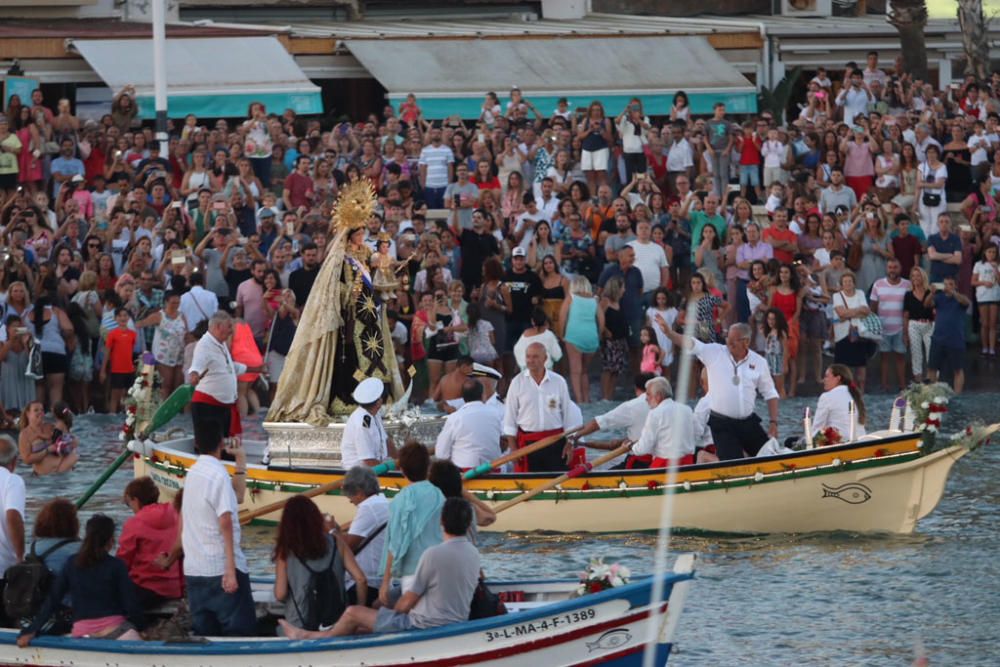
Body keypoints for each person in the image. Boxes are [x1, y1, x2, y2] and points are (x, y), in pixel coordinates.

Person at [280, 497, 479, 639]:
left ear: (441, 522)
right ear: (469, 523)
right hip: (455, 621)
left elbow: (407, 602)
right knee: (362, 622)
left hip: (420, 625)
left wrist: (391, 612)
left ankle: (309, 636)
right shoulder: (474, 554)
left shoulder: (432, 554)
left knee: (352, 613)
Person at [657, 322, 779, 460]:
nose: (729, 344)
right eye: (728, 339)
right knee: (732, 463)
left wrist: (774, 422)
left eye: (734, 341)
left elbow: (770, 393)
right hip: (722, 424)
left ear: (746, 342)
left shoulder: (759, 362)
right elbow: (691, 343)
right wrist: (669, 333)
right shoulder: (715, 352)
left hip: (748, 421)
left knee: (770, 454)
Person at [18, 515, 143, 646]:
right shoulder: (117, 565)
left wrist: (32, 629)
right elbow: (131, 604)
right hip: (117, 631)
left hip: (82, 633)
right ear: (111, 541)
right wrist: (140, 626)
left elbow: (53, 599)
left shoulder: (72, 563)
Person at [181, 419, 256, 637]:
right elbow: (225, 521)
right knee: (240, 636)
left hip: (195, 568)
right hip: (220, 569)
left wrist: (240, 460)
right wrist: (230, 569)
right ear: (221, 444)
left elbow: (238, 497)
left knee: (207, 637)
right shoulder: (219, 475)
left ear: (196, 444)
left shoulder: (193, 473)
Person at [273, 495, 367, 634]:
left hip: (299, 625)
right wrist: (359, 610)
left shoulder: (285, 550)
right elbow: (361, 579)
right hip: (337, 624)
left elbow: (280, 594)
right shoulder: (336, 542)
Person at [377, 442, 443, 608]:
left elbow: (395, 543)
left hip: (413, 574)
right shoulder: (439, 494)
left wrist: (386, 582)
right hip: (438, 571)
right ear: (428, 467)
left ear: (402, 470)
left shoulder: (401, 500)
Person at [189, 312, 262, 441]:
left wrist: (254, 369)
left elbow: (228, 366)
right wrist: (194, 375)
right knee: (211, 445)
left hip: (222, 405)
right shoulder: (204, 345)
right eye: (229, 327)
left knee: (224, 444)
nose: (231, 331)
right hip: (209, 406)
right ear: (218, 327)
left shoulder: (220, 343)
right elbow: (196, 366)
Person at [503, 342, 574, 472]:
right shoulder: (517, 382)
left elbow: (569, 415)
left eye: (535, 357)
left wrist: (570, 443)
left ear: (545, 358)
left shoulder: (558, 381)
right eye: (528, 356)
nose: (530, 360)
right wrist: (513, 449)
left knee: (557, 486)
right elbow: (510, 417)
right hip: (528, 445)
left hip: (556, 443)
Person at [117, 476, 182, 609]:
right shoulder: (176, 513)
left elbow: (123, 562)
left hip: (148, 587)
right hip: (177, 585)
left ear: (135, 500)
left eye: (128, 503)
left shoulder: (135, 523)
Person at [570, 373, 654, 466]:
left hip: (641, 463)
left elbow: (598, 423)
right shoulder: (668, 404)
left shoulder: (632, 406)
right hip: (663, 461)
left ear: (636, 389)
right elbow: (613, 445)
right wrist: (584, 444)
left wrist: (576, 436)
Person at [339, 466, 390, 605]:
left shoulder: (369, 508)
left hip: (368, 584)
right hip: (380, 580)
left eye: (350, 496)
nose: (350, 501)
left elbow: (347, 546)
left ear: (360, 493)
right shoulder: (384, 503)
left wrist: (331, 531)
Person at [434, 379, 503, 469]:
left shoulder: (455, 418)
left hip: (465, 475)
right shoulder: (495, 414)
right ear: (483, 395)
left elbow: (441, 454)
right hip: (495, 471)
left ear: (463, 398)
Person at [631, 376, 696, 467]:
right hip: (688, 464)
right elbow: (697, 433)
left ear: (658, 396)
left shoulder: (654, 414)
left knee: (633, 461)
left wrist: (632, 447)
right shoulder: (687, 409)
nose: (646, 398)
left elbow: (643, 449)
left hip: (664, 466)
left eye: (648, 394)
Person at [870, 258, 912, 393]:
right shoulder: (878, 284)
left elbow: (910, 308)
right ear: (886, 269)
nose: (892, 270)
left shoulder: (908, 285)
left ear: (900, 269)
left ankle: (902, 385)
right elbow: (873, 308)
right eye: (890, 267)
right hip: (883, 328)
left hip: (901, 327)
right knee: (884, 358)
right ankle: (884, 385)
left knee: (901, 358)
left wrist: (907, 330)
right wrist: (874, 330)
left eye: (895, 267)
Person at [559, 276, 601, 404]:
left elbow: (562, 317)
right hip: (591, 337)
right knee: (584, 371)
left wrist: (562, 334)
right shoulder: (594, 300)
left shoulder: (571, 298)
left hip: (574, 335)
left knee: (575, 371)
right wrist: (598, 335)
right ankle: (587, 398)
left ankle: (579, 400)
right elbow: (601, 319)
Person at [832, 271, 876, 392]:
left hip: (859, 333)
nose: (847, 284)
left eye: (850, 281)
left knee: (861, 363)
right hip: (842, 334)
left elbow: (866, 311)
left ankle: (860, 390)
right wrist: (858, 311)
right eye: (845, 282)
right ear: (841, 284)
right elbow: (840, 313)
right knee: (843, 365)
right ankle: (843, 390)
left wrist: (848, 313)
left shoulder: (860, 293)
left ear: (854, 283)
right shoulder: (837, 296)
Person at [926, 276, 971, 394]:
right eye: (945, 284)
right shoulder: (939, 298)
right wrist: (931, 293)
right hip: (938, 339)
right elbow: (926, 304)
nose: (947, 287)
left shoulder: (960, 298)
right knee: (932, 368)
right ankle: (931, 394)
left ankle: (957, 395)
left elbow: (966, 302)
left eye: (950, 284)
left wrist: (953, 293)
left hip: (956, 340)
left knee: (958, 369)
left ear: (955, 285)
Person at [341, 377, 395, 469]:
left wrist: (400, 461)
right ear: (379, 402)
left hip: (375, 467)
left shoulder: (374, 413)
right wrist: (390, 469)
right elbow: (368, 460)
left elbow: (386, 441)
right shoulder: (362, 423)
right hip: (359, 474)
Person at [17, 401, 77, 476]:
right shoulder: (24, 435)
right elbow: (27, 460)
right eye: (36, 410)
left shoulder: (51, 427)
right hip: (44, 480)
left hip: (64, 473)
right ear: (28, 414)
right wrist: (47, 451)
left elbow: (71, 441)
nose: (40, 412)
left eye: (42, 410)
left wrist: (73, 442)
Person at [812, 364, 866, 442]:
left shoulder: (827, 396)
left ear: (838, 378)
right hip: (862, 440)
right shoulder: (854, 394)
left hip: (841, 442)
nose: (824, 380)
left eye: (826, 376)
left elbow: (817, 428)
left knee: (790, 441)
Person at [0, 435, 25, 598]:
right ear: (14, 461)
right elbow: (13, 516)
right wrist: (20, 557)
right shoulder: (12, 481)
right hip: (3, 568)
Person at [100, 308, 137, 413]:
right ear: (115, 318)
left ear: (129, 318)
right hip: (117, 369)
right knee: (115, 395)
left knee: (128, 396)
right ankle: (112, 415)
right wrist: (103, 370)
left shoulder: (133, 334)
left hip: (129, 369)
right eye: (120, 316)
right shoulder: (112, 334)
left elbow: (131, 351)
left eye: (125, 315)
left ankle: (127, 417)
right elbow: (107, 353)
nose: (123, 318)